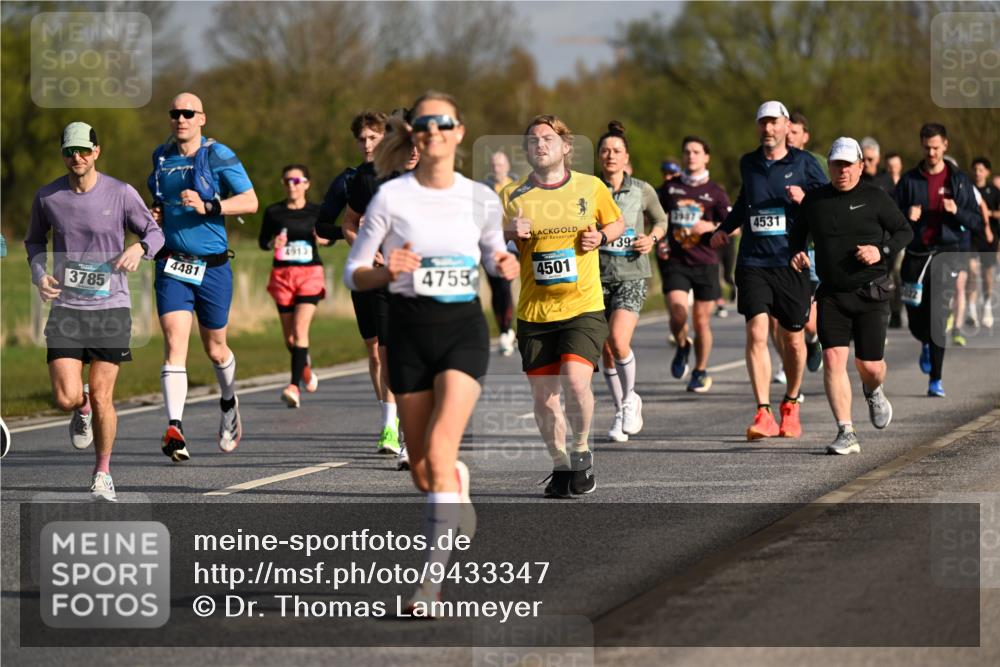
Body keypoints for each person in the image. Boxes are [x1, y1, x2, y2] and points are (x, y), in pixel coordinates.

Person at [343, 92, 519, 612]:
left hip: (462, 329)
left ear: (459, 132)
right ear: (414, 136)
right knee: (424, 472)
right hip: (408, 332)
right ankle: (455, 481)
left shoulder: (481, 198)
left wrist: (505, 263)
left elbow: (493, 253)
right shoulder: (390, 198)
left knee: (440, 451)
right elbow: (355, 271)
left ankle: (429, 584)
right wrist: (387, 269)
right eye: (424, 125)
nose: (434, 132)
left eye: (444, 124)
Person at [26, 122, 165, 499]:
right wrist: (40, 274)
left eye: (84, 150)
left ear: (97, 151)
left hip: (111, 306)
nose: (77, 157)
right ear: (64, 154)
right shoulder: (48, 197)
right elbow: (35, 241)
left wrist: (139, 248)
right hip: (67, 308)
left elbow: (154, 233)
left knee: (105, 394)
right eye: (70, 151)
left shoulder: (120, 193)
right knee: (65, 398)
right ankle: (80, 406)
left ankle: (102, 471)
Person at [501, 114, 625, 497]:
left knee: (574, 381)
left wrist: (601, 235)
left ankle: (582, 450)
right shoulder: (512, 195)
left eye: (548, 138)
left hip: (582, 305)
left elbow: (617, 223)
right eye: (533, 140)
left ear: (566, 147)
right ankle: (559, 463)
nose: (540, 144)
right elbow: (492, 242)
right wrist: (509, 232)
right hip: (535, 312)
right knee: (544, 398)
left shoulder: (591, 187)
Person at [148, 92, 258, 462]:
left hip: (212, 266)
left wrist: (211, 205)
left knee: (215, 348)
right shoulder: (161, 158)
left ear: (201, 118)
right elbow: (160, 201)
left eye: (188, 113)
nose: (181, 118)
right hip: (172, 265)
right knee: (175, 342)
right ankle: (175, 427)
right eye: (175, 112)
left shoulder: (218, 154)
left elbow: (251, 201)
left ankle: (228, 402)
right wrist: (156, 215)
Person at [711, 100, 828, 441]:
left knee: (792, 339)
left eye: (773, 123)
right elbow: (745, 201)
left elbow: (825, 207)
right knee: (757, 334)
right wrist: (724, 228)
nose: (768, 129)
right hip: (753, 262)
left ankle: (790, 403)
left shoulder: (805, 164)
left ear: (785, 125)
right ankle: (763, 411)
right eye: (762, 123)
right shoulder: (748, 163)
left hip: (790, 261)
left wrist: (805, 198)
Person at [790, 138, 912, 455]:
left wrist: (880, 250)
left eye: (848, 164)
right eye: (836, 164)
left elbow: (904, 231)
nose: (842, 170)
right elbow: (797, 234)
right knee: (833, 359)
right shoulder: (815, 201)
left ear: (860, 165)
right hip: (832, 294)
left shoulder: (875, 197)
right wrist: (797, 253)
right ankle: (846, 431)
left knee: (870, 366)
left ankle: (873, 390)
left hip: (871, 292)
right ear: (829, 166)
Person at [316, 111, 406, 458]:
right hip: (366, 273)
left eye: (373, 137)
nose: (367, 144)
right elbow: (325, 225)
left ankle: (393, 421)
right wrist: (359, 236)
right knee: (375, 350)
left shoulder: (405, 176)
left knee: (393, 348)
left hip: (402, 277)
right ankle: (389, 413)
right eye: (362, 139)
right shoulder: (352, 179)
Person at [343, 110, 419, 465]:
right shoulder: (368, 180)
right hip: (386, 281)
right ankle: (402, 432)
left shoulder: (437, 179)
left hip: (427, 282)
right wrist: (368, 251)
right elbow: (349, 222)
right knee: (389, 356)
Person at [895, 123, 982, 397]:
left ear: (945, 145)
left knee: (938, 315)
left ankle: (936, 379)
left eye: (936, 147)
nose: (931, 152)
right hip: (916, 255)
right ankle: (924, 343)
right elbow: (890, 217)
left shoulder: (958, 180)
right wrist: (906, 216)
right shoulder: (909, 181)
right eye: (926, 147)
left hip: (946, 254)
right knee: (915, 315)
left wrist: (956, 211)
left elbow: (976, 221)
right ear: (922, 146)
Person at [596, 121, 669, 442]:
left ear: (626, 158)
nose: (611, 156)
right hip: (596, 277)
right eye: (605, 151)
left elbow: (661, 219)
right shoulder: (588, 189)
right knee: (605, 350)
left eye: (617, 151)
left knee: (617, 340)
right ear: (599, 156)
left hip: (632, 273)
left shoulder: (641, 189)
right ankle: (621, 408)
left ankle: (629, 400)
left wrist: (651, 238)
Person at [657, 135, 732, 393]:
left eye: (696, 152)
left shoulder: (715, 192)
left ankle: (700, 370)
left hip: (706, 263)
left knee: (701, 322)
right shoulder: (670, 188)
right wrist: (657, 236)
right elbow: (653, 214)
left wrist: (710, 226)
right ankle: (682, 345)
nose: (691, 156)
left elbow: (734, 228)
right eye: (687, 151)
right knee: (678, 315)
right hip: (677, 262)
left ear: (706, 157)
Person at [259, 164, 329, 407]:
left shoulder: (318, 211)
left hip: (310, 274)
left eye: (297, 181)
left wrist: (324, 238)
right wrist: (273, 242)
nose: (292, 185)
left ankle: (293, 387)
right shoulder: (273, 212)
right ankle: (305, 368)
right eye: (288, 180)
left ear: (307, 184)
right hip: (282, 276)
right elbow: (262, 243)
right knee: (290, 339)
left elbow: (329, 237)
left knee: (300, 331)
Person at [785, 109, 827, 376]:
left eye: (794, 132)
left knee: (808, 324)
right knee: (783, 323)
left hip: (811, 249)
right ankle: (790, 376)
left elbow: (830, 202)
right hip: (778, 251)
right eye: (786, 131)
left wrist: (806, 199)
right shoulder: (769, 163)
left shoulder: (818, 163)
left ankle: (813, 341)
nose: (788, 137)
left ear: (805, 136)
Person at [481, 151, 517, 357]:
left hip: (513, 245)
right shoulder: (483, 189)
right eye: (494, 164)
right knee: (497, 288)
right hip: (491, 246)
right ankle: (505, 328)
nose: (497, 168)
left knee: (505, 284)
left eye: (501, 164)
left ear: (507, 165)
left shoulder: (518, 186)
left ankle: (507, 329)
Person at [968, 157, 999, 329]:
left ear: (987, 172)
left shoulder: (994, 191)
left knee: (988, 275)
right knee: (972, 272)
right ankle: (971, 311)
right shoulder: (967, 189)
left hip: (989, 237)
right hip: (972, 237)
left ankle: (986, 306)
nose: (977, 173)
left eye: (981, 170)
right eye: (975, 169)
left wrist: (988, 213)